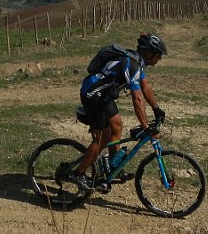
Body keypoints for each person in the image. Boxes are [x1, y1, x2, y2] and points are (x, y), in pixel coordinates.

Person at [69, 33, 168, 190]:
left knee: (117, 126)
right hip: (93, 95)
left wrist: (156, 108)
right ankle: (78, 174)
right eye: (158, 55)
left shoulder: (137, 62)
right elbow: (137, 98)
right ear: (149, 54)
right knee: (102, 138)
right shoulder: (133, 64)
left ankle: (114, 169)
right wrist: (145, 125)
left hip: (103, 95)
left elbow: (145, 87)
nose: (159, 59)